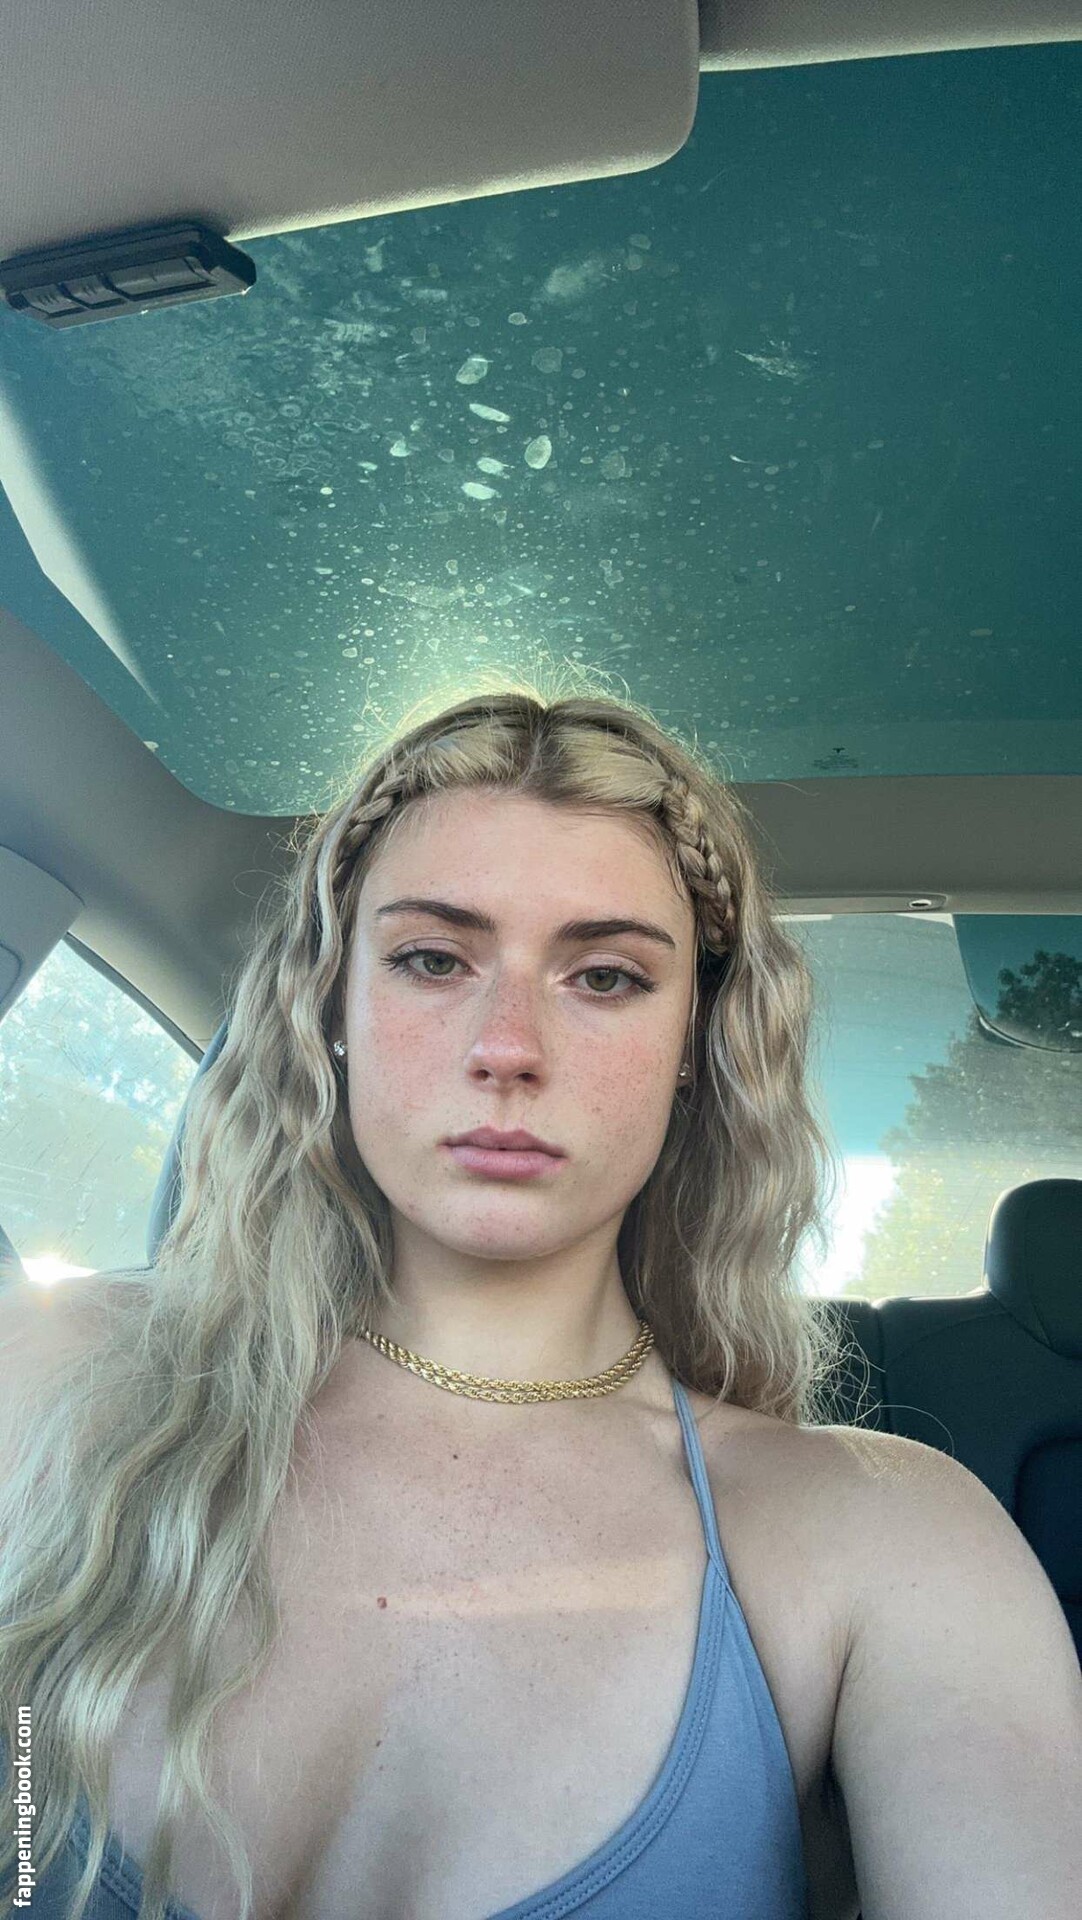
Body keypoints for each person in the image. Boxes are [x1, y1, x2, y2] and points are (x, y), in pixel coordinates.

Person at [0, 677, 1078, 1920]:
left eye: (604, 977)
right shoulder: (46, 1380)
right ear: (330, 1009)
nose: (507, 1046)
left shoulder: (886, 1541)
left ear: (697, 1047)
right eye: (430, 959)